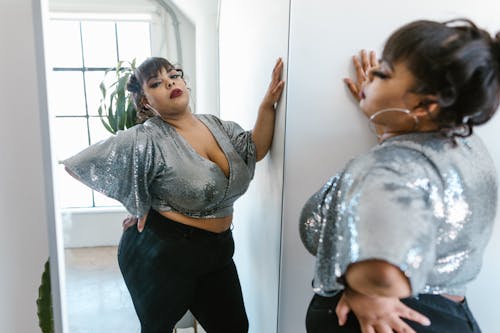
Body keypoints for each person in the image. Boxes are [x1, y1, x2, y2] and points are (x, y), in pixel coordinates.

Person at [300, 19, 500, 333]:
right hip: (448, 316)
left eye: (382, 74)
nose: (370, 77)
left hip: (386, 320)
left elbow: (384, 275)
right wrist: (392, 118)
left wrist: (366, 290)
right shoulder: (462, 142)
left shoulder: (390, 168)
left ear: (425, 105)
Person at [63, 56, 284, 332]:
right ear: (145, 101)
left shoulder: (216, 125)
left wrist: (267, 105)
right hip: (163, 253)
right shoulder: (145, 138)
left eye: (173, 75)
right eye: (156, 83)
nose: (169, 82)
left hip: (218, 249)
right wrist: (138, 201)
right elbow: (80, 164)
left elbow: (255, 149)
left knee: (235, 327)